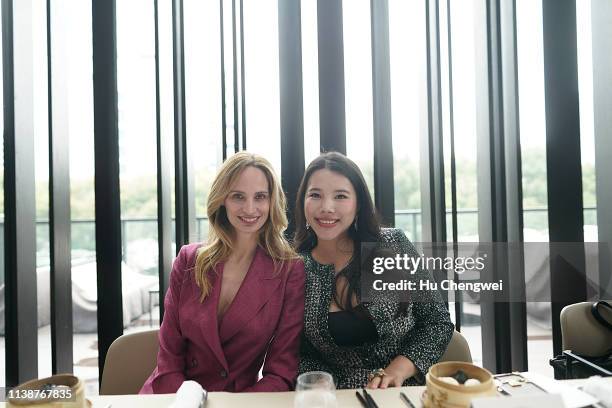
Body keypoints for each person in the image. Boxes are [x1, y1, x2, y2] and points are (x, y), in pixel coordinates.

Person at [141, 152, 305, 393]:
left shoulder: (289, 271)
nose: (250, 208)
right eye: (238, 196)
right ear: (222, 200)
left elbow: (280, 374)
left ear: (272, 203)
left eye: (260, 197)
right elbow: (169, 361)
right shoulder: (189, 260)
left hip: (238, 401)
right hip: (173, 398)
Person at [294, 152, 453, 389]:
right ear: (303, 201)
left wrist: (398, 369)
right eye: (315, 195)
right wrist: (318, 382)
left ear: (358, 204)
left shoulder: (393, 245)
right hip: (332, 399)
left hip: (402, 392)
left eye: (340, 196)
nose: (326, 207)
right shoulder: (293, 266)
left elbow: (437, 322)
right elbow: (297, 349)